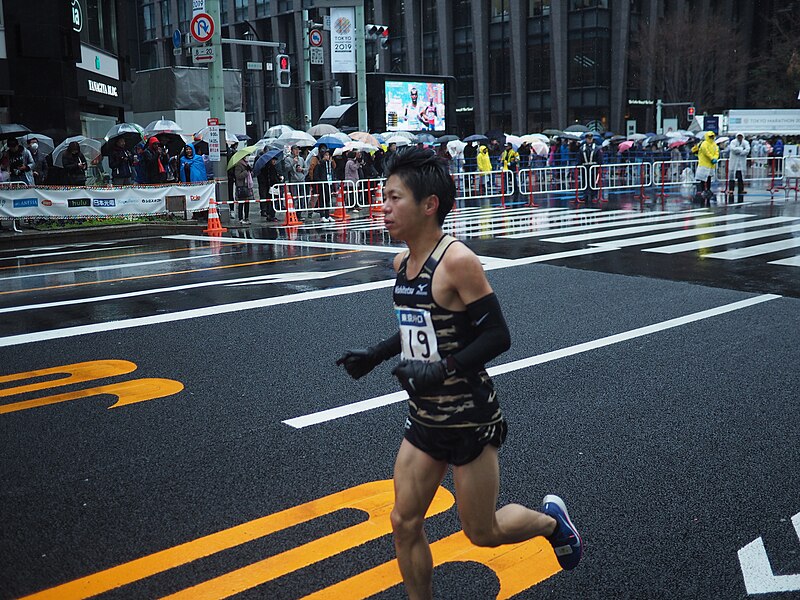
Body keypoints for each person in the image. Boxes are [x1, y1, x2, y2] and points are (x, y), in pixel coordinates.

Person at [336, 147, 582, 600]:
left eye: (394, 198)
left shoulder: (457, 261)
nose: (383, 207)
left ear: (429, 205)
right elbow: (422, 325)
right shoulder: (401, 263)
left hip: (469, 418)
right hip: (424, 419)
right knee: (403, 521)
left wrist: (442, 369)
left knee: (481, 532)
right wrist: (374, 354)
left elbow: (497, 336)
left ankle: (552, 522)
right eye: (383, 197)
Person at [693, 131, 719, 206]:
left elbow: (717, 152)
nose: (711, 138)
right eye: (710, 136)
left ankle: (708, 189)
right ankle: (702, 190)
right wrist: (712, 158)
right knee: (702, 178)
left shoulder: (714, 144)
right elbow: (706, 152)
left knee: (709, 178)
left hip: (711, 165)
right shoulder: (704, 143)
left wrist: (715, 158)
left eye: (712, 136)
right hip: (704, 163)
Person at [578, 132, 603, 204]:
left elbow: (599, 158)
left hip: (593, 168)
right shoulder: (582, 148)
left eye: (590, 139)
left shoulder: (597, 148)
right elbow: (579, 158)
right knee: (585, 182)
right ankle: (585, 195)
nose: (589, 140)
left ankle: (594, 195)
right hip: (585, 168)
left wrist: (599, 166)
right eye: (588, 139)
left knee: (594, 182)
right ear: (586, 139)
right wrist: (579, 166)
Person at [313, 149, 336, 222]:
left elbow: (332, 172)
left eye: (328, 155)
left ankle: (327, 215)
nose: (327, 157)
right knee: (322, 200)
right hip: (322, 184)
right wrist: (320, 181)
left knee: (328, 200)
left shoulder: (330, 164)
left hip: (328, 184)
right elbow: (316, 175)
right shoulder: (319, 164)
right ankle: (322, 215)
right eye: (326, 155)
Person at [727, 133, 750, 204]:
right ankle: (731, 189)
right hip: (734, 162)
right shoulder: (733, 142)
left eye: (741, 136)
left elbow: (747, 150)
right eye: (738, 136)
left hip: (741, 163)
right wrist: (741, 149)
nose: (739, 137)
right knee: (732, 176)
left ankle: (741, 189)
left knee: (741, 177)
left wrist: (740, 152)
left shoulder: (745, 142)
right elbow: (732, 149)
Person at [233, 155, 254, 224]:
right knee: (241, 203)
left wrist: (250, 171)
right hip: (241, 186)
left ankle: (246, 217)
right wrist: (246, 172)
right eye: (246, 156)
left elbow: (250, 175)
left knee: (247, 203)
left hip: (247, 186)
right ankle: (241, 218)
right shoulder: (239, 165)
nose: (247, 158)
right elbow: (238, 176)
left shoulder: (246, 164)